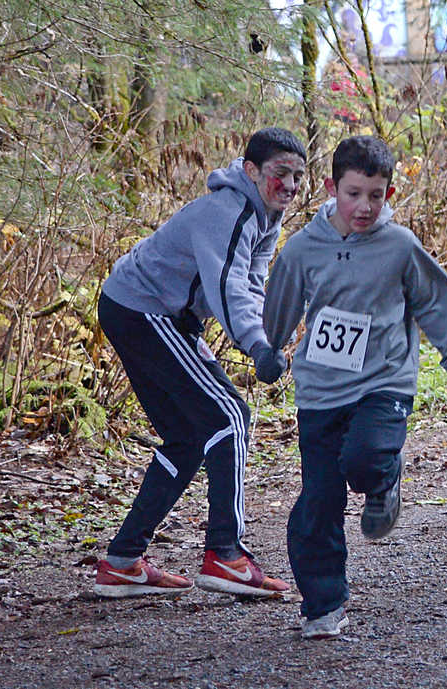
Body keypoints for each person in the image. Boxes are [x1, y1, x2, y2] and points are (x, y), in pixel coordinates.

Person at [261, 136, 447, 639]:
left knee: (365, 458)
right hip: (320, 387)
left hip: (385, 379)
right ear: (330, 187)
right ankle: (323, 605)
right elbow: (283, 304)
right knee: (318, 500)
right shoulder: (303, 248)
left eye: (375, 196)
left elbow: (434, 298)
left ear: (390, 192)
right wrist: (268, 350)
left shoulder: (399, 245)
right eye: (353, 193)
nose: (364, 207)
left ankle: (384, 477)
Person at [93, 127, 306, 598]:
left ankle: (122, 561)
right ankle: (225, 555)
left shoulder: (264, 217)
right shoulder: (226, 212)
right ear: (251, 171)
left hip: (151, 313)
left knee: (189, 437)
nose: (289, 186)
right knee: (231, 417)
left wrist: (268, 341)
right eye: (279, 174)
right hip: (142, 310)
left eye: (297, 176)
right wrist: (256, 347)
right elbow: (227, 289)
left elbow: (251, 285)